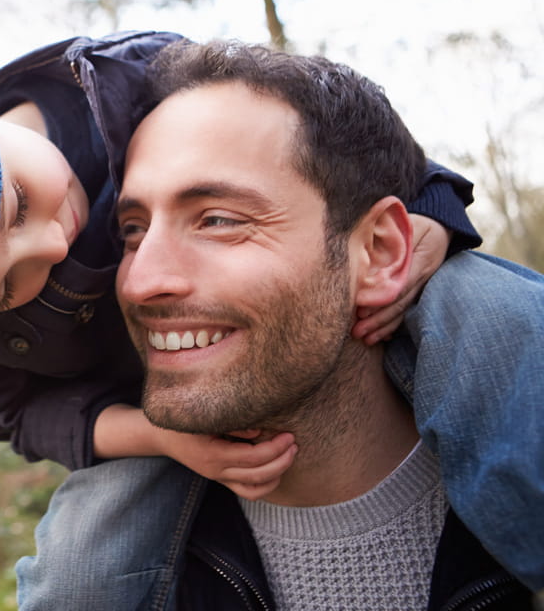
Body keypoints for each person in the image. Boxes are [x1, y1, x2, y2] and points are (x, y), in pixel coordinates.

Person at [0, 32, 544, 606]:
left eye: (16, 206)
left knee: (484, 309)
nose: (52, 245)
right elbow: (17, 416)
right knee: (84, 559)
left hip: (371, 282)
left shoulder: (136, 83)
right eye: (9, 290)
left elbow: (335, 140)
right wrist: (160, 437)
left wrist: (432, 220)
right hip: (156, 414)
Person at [29, 39, 536, 609]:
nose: (141, 282)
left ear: (379, 251)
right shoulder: (106, 576)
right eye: (133, 230)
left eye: (218, 220)